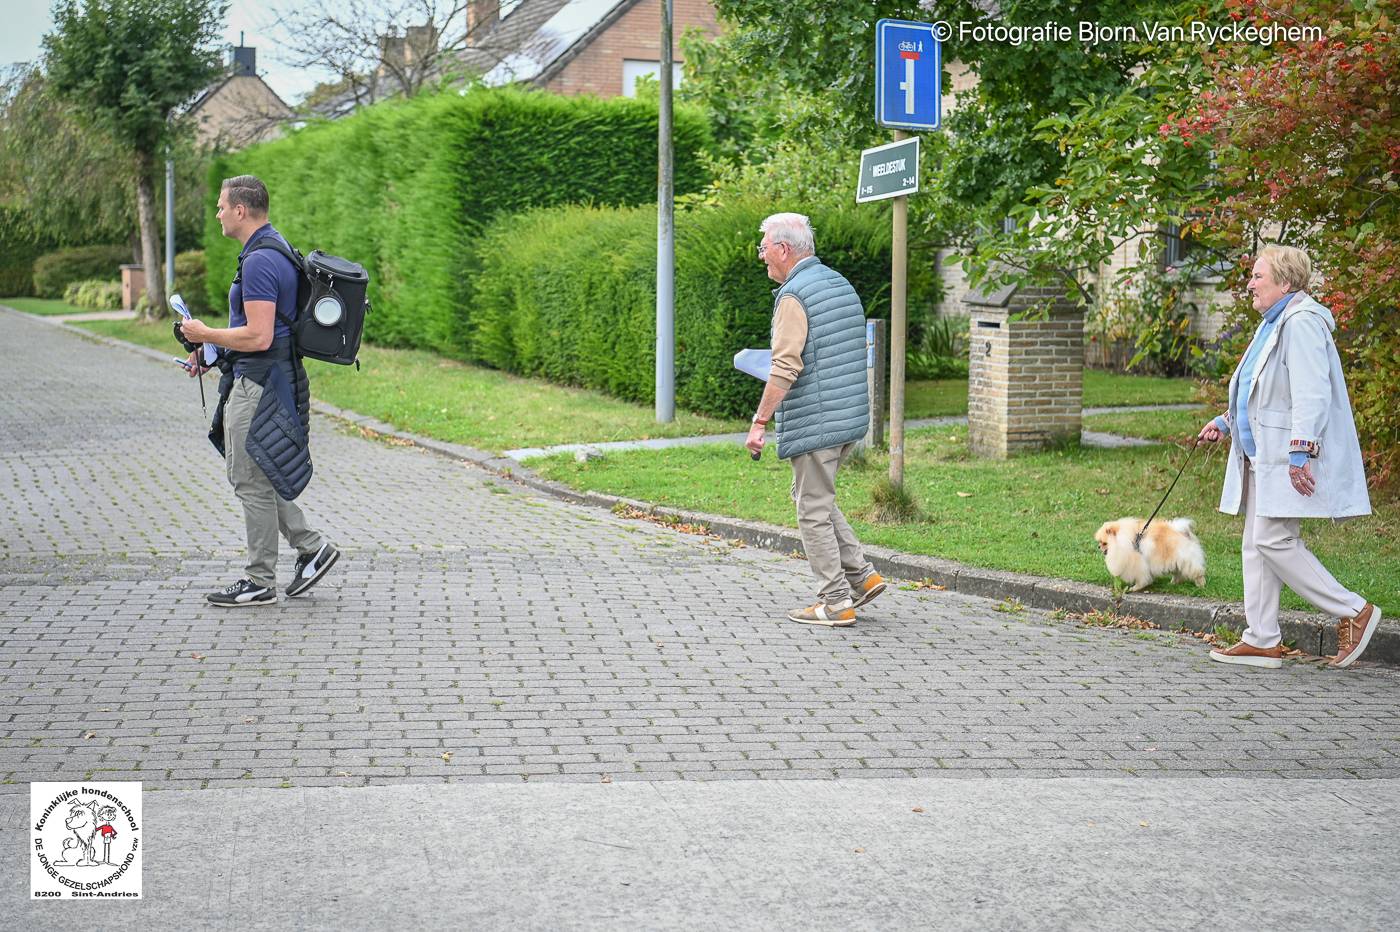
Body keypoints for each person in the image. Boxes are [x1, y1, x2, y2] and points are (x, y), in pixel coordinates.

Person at [1197, 244, 1378, 669]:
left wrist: (1301, 450)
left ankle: (1354, 611)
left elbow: (1312, 393)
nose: (1250, 283)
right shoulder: (1274, 323)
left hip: (1287, 453)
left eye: (1258, 276)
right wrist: (1226, 421)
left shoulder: (1302, 323)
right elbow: (1263, 389)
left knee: (1273, 540)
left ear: (1285, 282)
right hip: (1263, 453)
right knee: (1255, 545)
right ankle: (1261, 639)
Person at [179, 175, 339, 607]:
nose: (217, 213)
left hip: (261, 383)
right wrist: (209, 353)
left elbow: (260, 335)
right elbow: (261, 332)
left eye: (220, 206)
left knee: (249, 478)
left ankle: (260, 580)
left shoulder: (259, 261)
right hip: (263, 377)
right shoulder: (269, 248)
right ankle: (311, 548)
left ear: (240, 210)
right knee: (261, 472)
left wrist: (203, 331)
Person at [745, 213, 886, 626]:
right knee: (815, 498)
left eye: (764, 248)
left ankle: (836, 601)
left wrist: (759, 421)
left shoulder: (794, 296)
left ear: (783, 249)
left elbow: (786, 365)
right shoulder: (837, 283)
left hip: (817, 420)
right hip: (847, 417)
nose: (761, 257)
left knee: (811, 509)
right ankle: (863, 575)